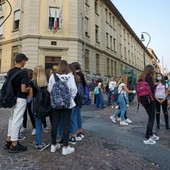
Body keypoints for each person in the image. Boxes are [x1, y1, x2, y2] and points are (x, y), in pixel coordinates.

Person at [48, 60, 77, 155]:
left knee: (55, 123)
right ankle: (65, 147)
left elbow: (50, 89)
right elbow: (73, 89)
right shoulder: (71, 76)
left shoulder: (53, 76)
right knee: (66, 124)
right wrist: (69, 98)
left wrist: (57, 98)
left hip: (56, 103)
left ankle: (53, 145)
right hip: (68, 104)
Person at [4, 53, 29, 153]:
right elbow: (23, 89)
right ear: (22, 61)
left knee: (12, 119)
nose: (25, 63)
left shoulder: (10, 71)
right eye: (25, 61)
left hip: (12, 98)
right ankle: (14, 143)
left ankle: (8, 140)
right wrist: (29, 89)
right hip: (20, 98)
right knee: (17, 120)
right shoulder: (23, 73)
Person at [30, 65, 50, 151]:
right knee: (39, 123)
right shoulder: (45, 83)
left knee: (37, 124)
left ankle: (39, 144)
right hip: (42, 105)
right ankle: (38, 141)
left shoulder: (32, 82)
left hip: (34, 104)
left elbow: (30, 96)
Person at [138, 65, 159, 145]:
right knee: (151, 118)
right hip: (150, 99)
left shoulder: (141, 77)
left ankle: (151, 134)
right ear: (149, 70)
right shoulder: (148, 77)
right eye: (152, 70)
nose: (153, 72)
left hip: (143, 100)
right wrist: (156, 85)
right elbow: (151, 88)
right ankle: (147, 138)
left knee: (150, 116)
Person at [20, 69, 36, 136]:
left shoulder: (31, 82)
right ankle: (24, 126)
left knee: (31, 113)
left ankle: (34, 127)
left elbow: (33, 92)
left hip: (30, 99)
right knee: (24, 114)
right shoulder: (24, 81)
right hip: (24, 99)